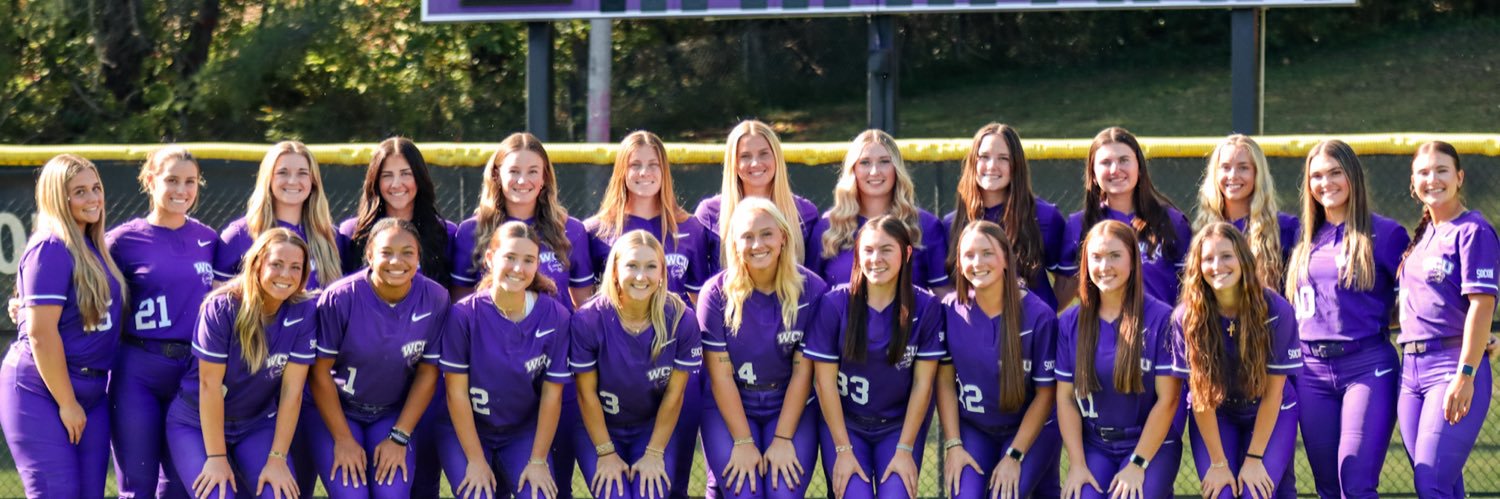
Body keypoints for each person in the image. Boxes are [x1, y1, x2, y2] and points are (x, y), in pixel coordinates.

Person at [585, 131, 715, 499]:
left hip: (674, 368)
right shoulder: (596, 230)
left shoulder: (690, 229)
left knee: (666, 484)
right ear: (621, 172)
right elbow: (583, 304)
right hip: (615, 371)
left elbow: (699, 299)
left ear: (665, 170)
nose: (644, 172)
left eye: (652, 164)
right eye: (635, 165)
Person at [1283, 139, 1408, 498]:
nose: (1326, 183)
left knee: (1354, 480)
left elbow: (1422, 296)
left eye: (1335, 172)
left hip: (1367, 365)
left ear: (1352, 175)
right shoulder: (1301, 236)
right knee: (1326, 486)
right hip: (1309, 371)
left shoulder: (1386, 233)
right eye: (1317, 175)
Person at [0, 154, 125, 498]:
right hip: (42, 390)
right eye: (80, 191)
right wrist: (67, 403)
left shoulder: (95, 246)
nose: (93, 198)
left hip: (92, 391)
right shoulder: (50, 247)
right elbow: (41, 335)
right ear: (59, 197)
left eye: (96, 188)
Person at [165, 228, 316, 499]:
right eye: (277, 264)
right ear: (257, 263)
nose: (286, 275)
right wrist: (216, 457)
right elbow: (209, 385)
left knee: (279, 495)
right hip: (196, 423)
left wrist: (278, 458)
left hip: (256, 423)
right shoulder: (221, 307)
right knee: (217, 495)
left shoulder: (303, 310)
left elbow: (292, 392)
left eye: (296, 267)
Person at [804, 216, 945, 499]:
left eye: (886, 250)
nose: (875, 258)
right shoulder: (835, 303)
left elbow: (923, 385)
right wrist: (842, 450)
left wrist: (905, 450)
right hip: (847, 425)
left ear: (905, 253)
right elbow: (824, 384)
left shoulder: (926, 306)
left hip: (897, 428)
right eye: (867, 250)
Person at [308, 218, 449, 498]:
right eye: (386, 252)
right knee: (351, 493)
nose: (397, 260)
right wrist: (343, 438)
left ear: (419, 257)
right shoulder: (340, 297)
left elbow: (428, 372)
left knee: (392, 492)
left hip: (390, 412)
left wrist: (399, 435)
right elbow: (319, 372)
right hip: (338, 411)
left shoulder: (435, 297)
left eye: (408, 252)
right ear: (370, 255)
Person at [106, 147, 219, 498]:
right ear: (150, 180)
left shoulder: (209, 240)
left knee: (181, 486)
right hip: (138, 369)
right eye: (171, 180)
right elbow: (82, 286)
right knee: (137, 484)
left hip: (191, 372)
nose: (181, 190)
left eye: (190, 181)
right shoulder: (122, 240)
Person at [696, 199, 826, 499]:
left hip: (791, 406)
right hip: (730, 404)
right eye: (747, 236)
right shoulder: (715, 294)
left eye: (767, 234)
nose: (758, 244)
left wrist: (783, 438)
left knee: (783, 493)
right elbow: (720, 377)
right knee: (745, 492)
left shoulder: (813, 290)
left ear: (783, 236)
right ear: (734, 243)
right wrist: (742, 442)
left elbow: (802, 372)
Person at [439, 221, 572, 499]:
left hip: (522, 432)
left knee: (538, 494)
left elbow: (552, 396)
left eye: (528, 260)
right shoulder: (463, 315)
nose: (518, 268)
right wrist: (475, 460)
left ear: (537, 265)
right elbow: (456, 394)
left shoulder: (555, 316)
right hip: (467, 430)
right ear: (490, 258)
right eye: (509, 257)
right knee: (478, 494)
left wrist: (537, 461)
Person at [1395, 140, 1496, 499]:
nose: (1432, 179)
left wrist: (1466, 373)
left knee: (1431, 481)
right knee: (1445, 484)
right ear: (1412, 182)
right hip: (1411, 372)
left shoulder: (1473, 230)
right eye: (1423, 172)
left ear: (1459, 177)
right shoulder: (1421, 237)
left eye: (1442, 170)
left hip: (1451, 368)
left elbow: (1482, 306)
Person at [570, 230, 703, 499]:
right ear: (615, 270)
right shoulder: (588, 320)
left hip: (651, 427)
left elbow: (675, 395)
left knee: (651, 492)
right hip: (598, 428)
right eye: (632, 265)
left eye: (651, 266)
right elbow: (586, 394)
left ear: (662, 273)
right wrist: (606, 452)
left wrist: (654, 453)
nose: (641, 276)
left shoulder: (681, 319)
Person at [1055, 220, 1183, 499]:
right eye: (1096, 258)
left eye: (1115, 256)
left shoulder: (1161, 318)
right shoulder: (1070, 323)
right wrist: (1076, 464)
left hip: (1150, 445)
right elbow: (1065, 398)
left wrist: (1137, 464)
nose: (1104, 266)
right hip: (1096, 446)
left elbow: (1168, 400)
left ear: (1133, 261)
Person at [936, 220, 1060, 499]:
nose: (977, 262)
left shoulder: (1039, 316)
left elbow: (1046, 394)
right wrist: (954, 445)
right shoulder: (949, 310)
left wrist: (1014, 456)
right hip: (975, 429)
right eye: (968, 255)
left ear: (1006, 258)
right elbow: (943, 380)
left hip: (1031, 431)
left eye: (987, 253)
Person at [1179, 223, 1302, 499]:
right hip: (1217, 412)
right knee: (1221, 492)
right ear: (1197, 266)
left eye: (1226, 256)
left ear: (1243, 260)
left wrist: (1255, 458)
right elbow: (1200, 396)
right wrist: (1219, 464)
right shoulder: (1186, 318)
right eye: (1207, 259)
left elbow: (1274, 394)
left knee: (1253, 492)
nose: (1216, 265)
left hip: (1272, 409)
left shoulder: (1276, 310)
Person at [452, 132, 595, 308]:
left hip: (555, 335)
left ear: (544, 176)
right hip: (493, 335)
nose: (522, 180)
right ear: (496, 174)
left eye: (533, 171)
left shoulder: (571, 230)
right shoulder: (471, 231)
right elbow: (461, 308)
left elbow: (584, 307)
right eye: (514, 171)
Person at [1058, 127, 1193, 305]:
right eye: (1105, 162)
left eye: (1124, 160)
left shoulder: (1172, 222)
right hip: (1102, 331)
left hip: (1160, 330)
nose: (1115, 169)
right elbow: (1062, 293)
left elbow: (1192, 290)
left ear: (1139, 167)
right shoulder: (1079, 225)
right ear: (1093, 174)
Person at [807, 130, 948, 292]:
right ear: (853, 169)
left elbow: (942, 294)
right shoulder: (828, 226)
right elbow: (811, 296)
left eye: (884, 161)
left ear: (897, 168)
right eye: (865, 162)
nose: (875, 171)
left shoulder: (925, 225)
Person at [944, 123, 1067, 310]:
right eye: (984, 157)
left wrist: (1042, 316)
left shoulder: (1045, 217)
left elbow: (1067, 280)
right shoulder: (952, 224)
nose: (992, 166)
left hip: (1030, 333)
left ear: (1016, 165)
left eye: (1003, 158)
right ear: (972, 162)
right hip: (977, 332)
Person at [214, 140, 341, 291]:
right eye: (283, 172)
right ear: (268, 179)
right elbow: (217, 301)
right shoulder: (239, 234)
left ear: (313, 181)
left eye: (302, 173)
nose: (293, 181)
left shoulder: (330, 236)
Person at [337, 137, 457, 288]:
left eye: (405, 174)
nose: (396, 184)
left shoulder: (446, 233)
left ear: (419, 177)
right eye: (387, 175)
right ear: (375, 182)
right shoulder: (352, 233)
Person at [694, 119, 821, 262]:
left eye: (764, 154)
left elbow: (812, 279)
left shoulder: (805, 214)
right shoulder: (709, 214)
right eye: (745, 156)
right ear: (733, 163)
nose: (755, 163)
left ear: (776, 158)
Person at [1193, 134, 1299, 289]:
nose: (1233, 175)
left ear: (1257, 173)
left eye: (1243, 168)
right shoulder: (1201, 230)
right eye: (1225, 167)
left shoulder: (1285, 228)